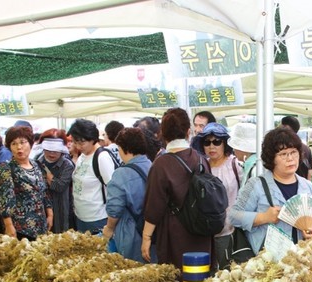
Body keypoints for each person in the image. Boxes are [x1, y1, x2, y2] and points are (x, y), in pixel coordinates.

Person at [229, 126, 312, 254]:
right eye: (283, 154)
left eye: (293, 152)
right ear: (271, 158)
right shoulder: (256, 185)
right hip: (268, 264)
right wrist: (263, 217)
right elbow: (233, 216)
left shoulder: (308, 187)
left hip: (301, 262)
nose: (290, 158)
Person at [141, 108, 217, 269]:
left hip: (174, 234)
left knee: (176, 280)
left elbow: (154, 207)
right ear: (188, 131)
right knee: (199, 279)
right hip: (201, 231)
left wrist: (146, 237)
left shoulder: (160, 165)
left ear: (163, 133)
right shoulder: (201, 160)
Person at [197, 122, 244, 269]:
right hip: (205, 233)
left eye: (217, 142)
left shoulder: (235, 165)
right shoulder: (200, 167)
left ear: (225, 143)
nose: (212, 146)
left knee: (229, 272)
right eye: (207, 142)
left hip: (230, 230)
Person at [103, 127, 152, 263]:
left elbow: (114, 209)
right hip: (153, 232)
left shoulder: (121, 174)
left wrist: (109, 228)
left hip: (131, 233)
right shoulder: (153, 166)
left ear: (125, 149)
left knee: (132, 272)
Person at [0, 126, 51, 241]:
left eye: (22, 142)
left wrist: (50, 214)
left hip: (41, 224)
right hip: (20, 228)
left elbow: (45, 192)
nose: (19, 147)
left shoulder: (37, 165)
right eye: (14, 144)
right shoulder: (6, 169)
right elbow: (5, 200)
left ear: (30, 144)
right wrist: (9, 226)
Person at [68, 119, 114, 234]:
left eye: (82, 142)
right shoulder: (82, 156)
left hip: (97, 219)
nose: (78, 146)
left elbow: (113, 190)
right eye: (75, 142)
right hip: (81, 217)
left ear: (93, 139)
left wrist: (110, 225)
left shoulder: (102, 157)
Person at [35, 129, 74, 233]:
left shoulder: (67, 165)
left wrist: (46, 173)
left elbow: (59, 186)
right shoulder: (36, 161)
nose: (52, 154)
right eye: (48, 149)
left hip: (60, 209)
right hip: (41, 210)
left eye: (56, 150)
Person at [280, 115, 312, 181]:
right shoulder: (306, 149)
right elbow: (310, 174)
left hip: (285, 187)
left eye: (281, 126)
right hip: (303, 188)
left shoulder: (282, 148)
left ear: (286, 128)